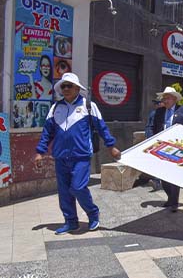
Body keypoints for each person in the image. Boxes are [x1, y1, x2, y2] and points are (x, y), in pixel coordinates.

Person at [34, 73, 121, 234]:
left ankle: (93, 213)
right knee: (64, 191)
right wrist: (40, 152)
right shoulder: (55, 108)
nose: (65, 89)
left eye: (69, 86)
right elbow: (47, 132)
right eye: (63, 86)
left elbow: (102, 128)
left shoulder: (88, 106)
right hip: (60, 157)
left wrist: (111, 146)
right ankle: (71, 221)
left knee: (78, 187)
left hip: (81, 157)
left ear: (77, 88)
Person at [151, 86, 183, 212]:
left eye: (168, 98)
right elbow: (154, 128)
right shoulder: (159, 112)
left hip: (177, 147)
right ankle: (170, 198)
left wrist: (180, 128)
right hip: (162, 147)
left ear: (175, 99)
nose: (165, 100)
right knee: (163, 175)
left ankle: (174, 202)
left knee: (174, 175)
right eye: (164, 98)